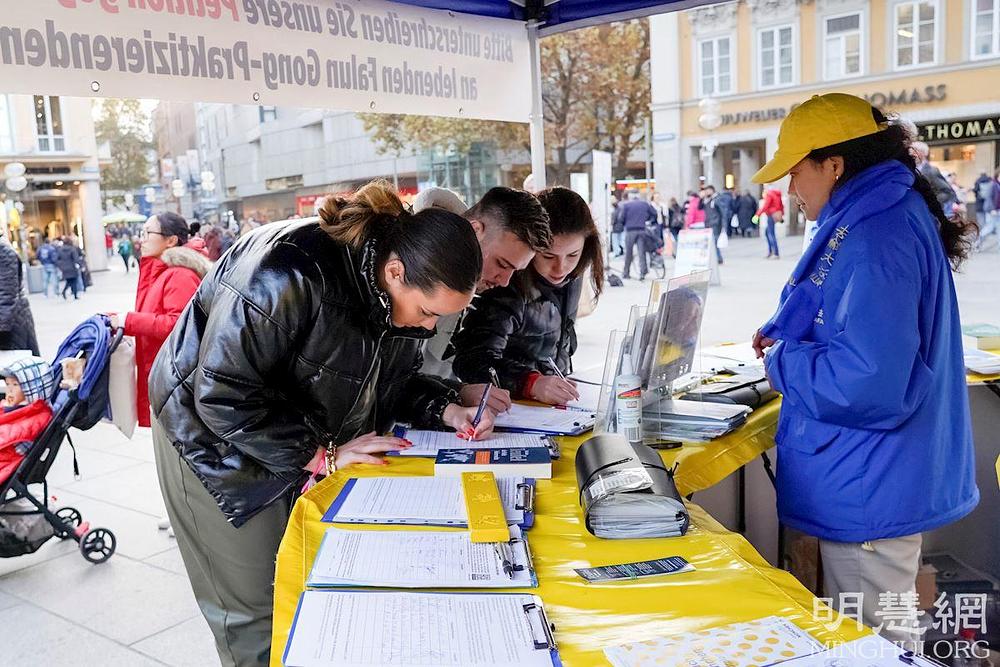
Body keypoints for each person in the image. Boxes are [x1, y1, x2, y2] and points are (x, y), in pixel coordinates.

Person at [148, 181, 493, 666]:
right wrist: (322, 455)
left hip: (288, 431)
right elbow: (221, 395)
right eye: (428, 312)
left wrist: (446, 408)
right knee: (256, 609)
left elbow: (389, 378)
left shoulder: (393, 289)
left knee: (307, 582)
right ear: (395, 272)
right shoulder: (288, 272)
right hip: (208, 443)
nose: (428, 328)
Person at [750, 93, 978, 644]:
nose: (787, 190)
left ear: (834, 165)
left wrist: (785, 361)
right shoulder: (878, 215)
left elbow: (867, 383)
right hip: (873, 475)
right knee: (879, 634)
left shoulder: (875, 236)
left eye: (795, 172)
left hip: (867, 485)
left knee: (872, 643)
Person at [452, 187, 604, 405]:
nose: (560, 268)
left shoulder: (572, 277)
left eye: (573, 255)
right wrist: (529, 382)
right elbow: (473, 360)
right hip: (511, 405)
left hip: (551, 405)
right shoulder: (500, 284)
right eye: (548, 256)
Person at [413, 186, 552, 414]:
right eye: (502, 264)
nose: (505, 281)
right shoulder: (409, 260)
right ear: (475, 230)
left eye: (514, 271)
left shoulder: (468, 277)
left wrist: (459, 392)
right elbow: (390, 380)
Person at [107, 212, 211, 429]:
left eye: (147, 233)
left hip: (175, 382)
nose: (141, 239)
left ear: (171, 240)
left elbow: (178, 325)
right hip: (164, 375)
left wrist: (128, 321)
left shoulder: (180, 274)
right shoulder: (160, 271)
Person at [0, 238, 40, 356]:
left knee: (15, 369)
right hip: (10, 322)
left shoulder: (3, 251)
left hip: (11, 326)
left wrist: (1, 329)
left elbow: (6, 295)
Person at [618, 189, 658, 280]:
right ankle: (643, 272)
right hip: (642, 230)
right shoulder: (645, 204)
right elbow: (654, 213)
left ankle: (626, 272)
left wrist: (626, 223)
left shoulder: (626, 205)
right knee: (641, 252)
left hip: (630, 231)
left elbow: (621, 218)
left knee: (629, 252)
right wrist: (649, 220)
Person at [911, 141, 959, 216]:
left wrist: (930, 201)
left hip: (929, 214)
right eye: (911, 151)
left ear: (923, 153)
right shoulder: (910, 169)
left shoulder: (931, 171)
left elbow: (947, 192)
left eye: (915, 151)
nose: (912, 154)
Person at [756, 187, 784, 259]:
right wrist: (781, 214)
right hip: (775, 214)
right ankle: (771, 252)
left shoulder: (769, 194)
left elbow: (765, 206)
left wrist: (757, 215)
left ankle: (775, 253)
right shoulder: (777, 194)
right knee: (767, 232)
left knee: (771, 233)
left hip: (771, 215)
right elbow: (781, 205)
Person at [701, 185, 725, 265]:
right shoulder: (707, 200)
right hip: (708, 223)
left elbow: (723, 212)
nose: (706, 192)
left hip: (715, 224)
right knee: (712, 242)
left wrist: (723, 225)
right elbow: (699, 207)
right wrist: (701, 198)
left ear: (712, 190)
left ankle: (719, 258)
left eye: (708, 190)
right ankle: (717, 258)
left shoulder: (717, 199)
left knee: (714, 242)